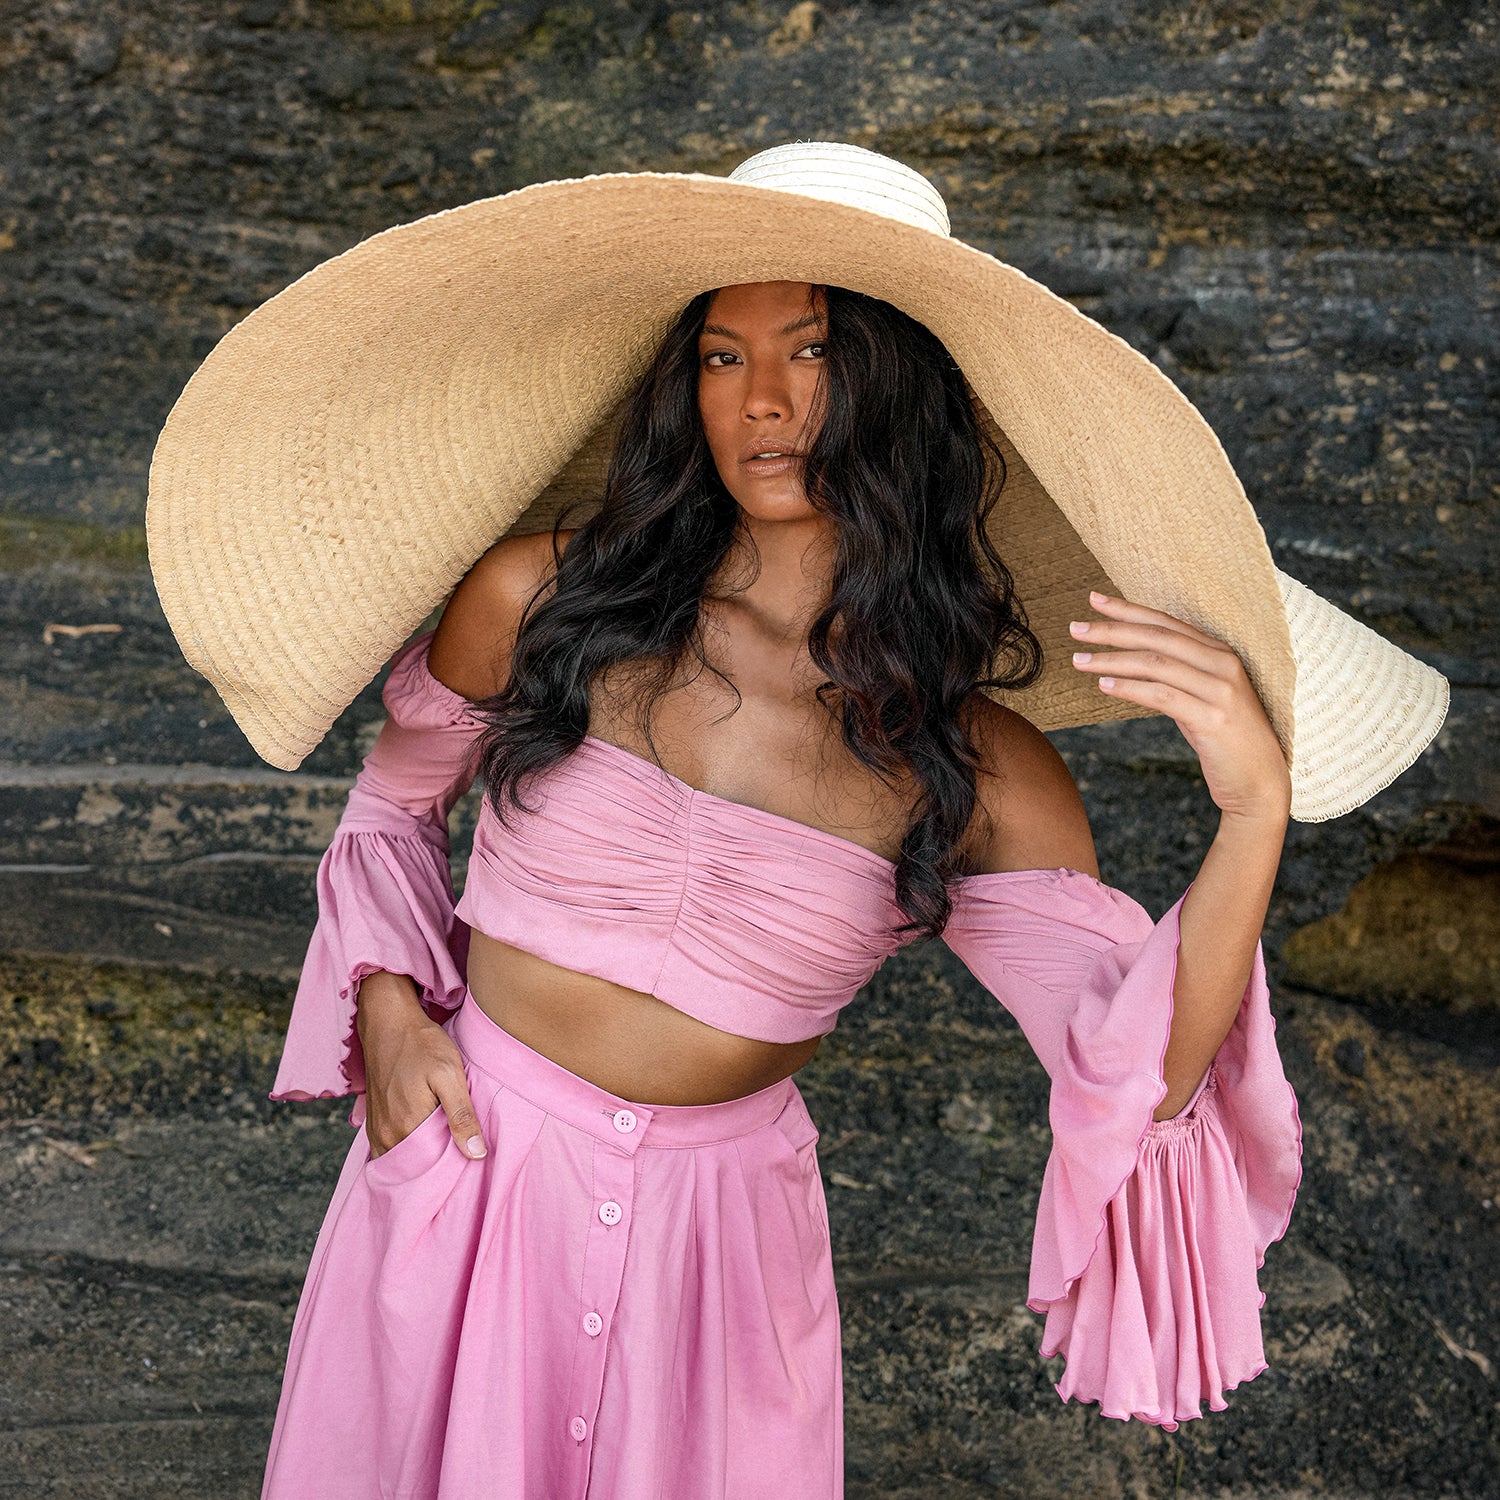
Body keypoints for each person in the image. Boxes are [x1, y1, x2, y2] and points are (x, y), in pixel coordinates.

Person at [143, 142, 1445, 1500]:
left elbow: (1144, 1073)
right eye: (719, 355)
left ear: (898, 389)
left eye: (810, 351)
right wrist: (392, 1010)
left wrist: (1250, 811)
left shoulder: (979, 768)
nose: (761, 401)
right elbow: (393, 805)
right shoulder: (544, 597)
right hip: (471, 1178)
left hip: (721, 1258)